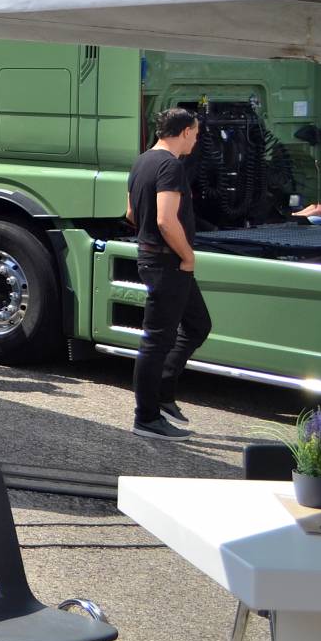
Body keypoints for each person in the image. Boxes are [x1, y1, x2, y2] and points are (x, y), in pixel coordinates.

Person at [125, 108, 209, 439]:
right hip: (167, 263)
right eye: (196, 133)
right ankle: (146, 417)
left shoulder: (142, 160)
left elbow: (132, 212)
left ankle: (162, 394)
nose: (197, 139)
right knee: (156, 341)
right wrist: (187, 256)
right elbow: (164, 219)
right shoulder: (170, 166)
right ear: (185, 131)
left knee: (198, 324)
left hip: (155, 258)